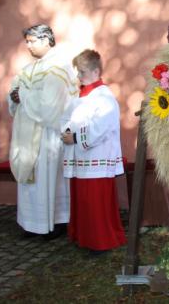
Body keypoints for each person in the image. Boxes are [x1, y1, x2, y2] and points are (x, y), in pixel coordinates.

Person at [8, 24, 78, 239]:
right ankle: (31, 224)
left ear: (47, 40)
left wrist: (25, 96)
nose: (28, 45)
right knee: (32, 182)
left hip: (49, 133)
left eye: (32, 41)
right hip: (26, 133)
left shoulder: (58, 67)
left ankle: (55, 223)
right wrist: (14, 96)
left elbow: (52, 105)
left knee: (49, 180)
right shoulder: (29, 69)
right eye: (27, 41)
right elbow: (15, 92)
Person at [60, 49, 126, 253]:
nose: (79, 77)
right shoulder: (80, 96)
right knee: (82, 200)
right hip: (80, 157)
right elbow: (66, 119)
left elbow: (101, 127)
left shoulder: (104, 97)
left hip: (96, 157)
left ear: (96, 71)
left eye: (82, 72)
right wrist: (66, 132)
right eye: (78, 73)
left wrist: (76, 137)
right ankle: (82, 237)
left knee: (95, 201)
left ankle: (100, 241)